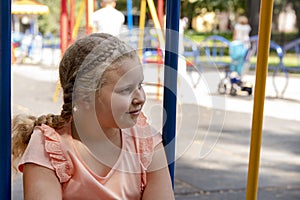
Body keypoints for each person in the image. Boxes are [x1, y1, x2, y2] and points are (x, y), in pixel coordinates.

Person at [12, 33, 174, 200]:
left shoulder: (144, 142)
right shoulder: (49, 147)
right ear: (85, 96)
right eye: (126, 90)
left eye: (140, 85)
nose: (140, 98)